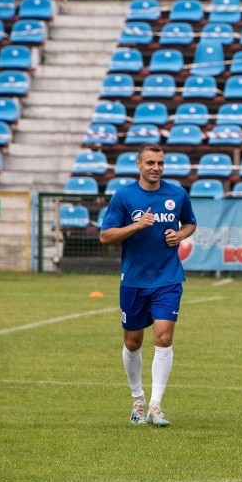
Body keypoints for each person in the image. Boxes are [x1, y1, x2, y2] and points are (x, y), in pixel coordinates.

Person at [99, 142, 197, 427]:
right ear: (139, 165)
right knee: (132, 342)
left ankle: (156, 404)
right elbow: (106, 236)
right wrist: (137, 226)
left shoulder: (177, 193)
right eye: (151, 163)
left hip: (168, 278)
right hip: (133, 281)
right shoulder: (124, 196)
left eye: (160, 164)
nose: (156, 168)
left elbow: (190, 223)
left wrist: (180, 235)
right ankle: (138, 399)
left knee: (164, 338)